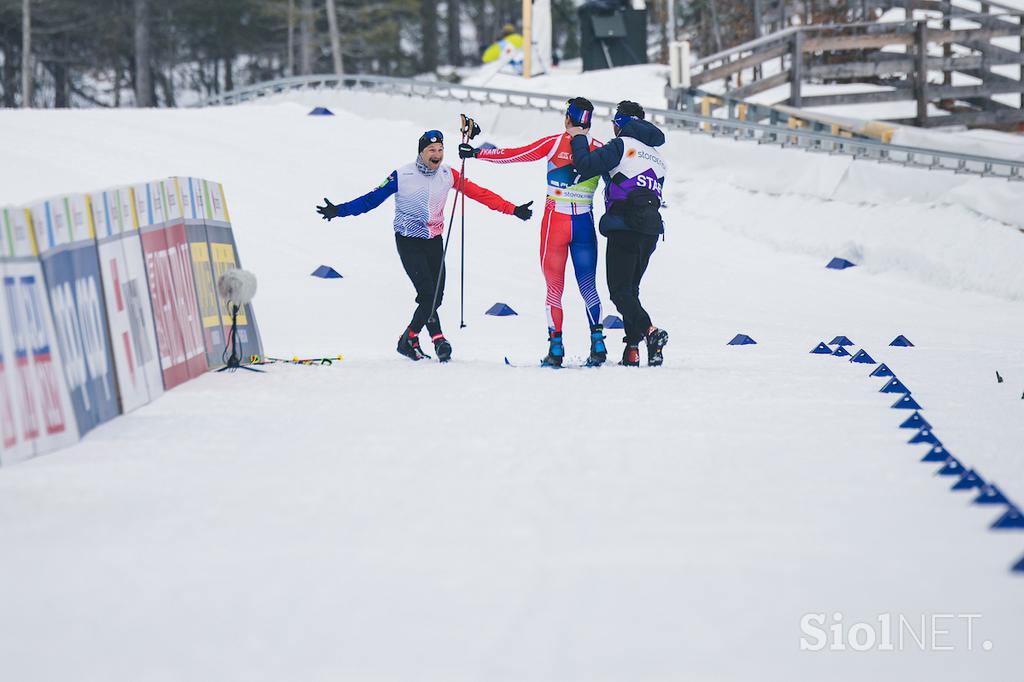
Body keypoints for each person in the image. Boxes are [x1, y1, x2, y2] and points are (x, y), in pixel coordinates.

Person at [316, 130, 533, 362]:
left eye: (440, 150)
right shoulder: (402, 175)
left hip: (433, 241)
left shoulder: (448, 174)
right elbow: (371, 200)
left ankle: (426, 338)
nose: (437, 155)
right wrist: (339, 210)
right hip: (408, 240)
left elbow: (480, 194)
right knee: (428, 293)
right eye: (431, 150)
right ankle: (419, 338)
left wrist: (512, 209)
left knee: (435, 295)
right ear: (421, 152)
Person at [459, 97, 607, 368]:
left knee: (554, 288)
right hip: (584, 221)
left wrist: (475, 153)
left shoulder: (553, 142)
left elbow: (514, 155)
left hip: (556, 221)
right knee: (588, 286)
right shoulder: (600, 149)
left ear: (567, 119)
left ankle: (556, 347)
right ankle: (598, 343)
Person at [567, 100, 669, 367]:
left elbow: (586, 165)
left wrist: (578, 137)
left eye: (614, 123)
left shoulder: (622, 144)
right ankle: (633, 350)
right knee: (631, 291)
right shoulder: (658, 157)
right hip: (650, 232)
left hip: (624, 227)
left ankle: (650, 332)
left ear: (621, 124)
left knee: (619, 292)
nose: (612, 127)